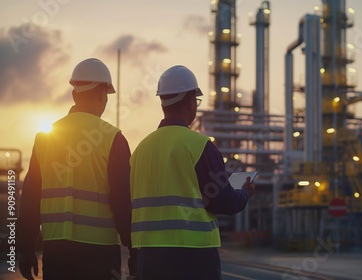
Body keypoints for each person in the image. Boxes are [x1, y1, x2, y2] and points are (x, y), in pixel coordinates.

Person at [130, 65, 256, 280]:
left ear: (163, 102)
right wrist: (245, 193)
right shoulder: (199, 145)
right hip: (192, 257)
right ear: (190, 102)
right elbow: (222, 201)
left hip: (149, 257)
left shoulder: (140, 149)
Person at [17, 58, 136, 280]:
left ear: (74, 94)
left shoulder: (45, 138)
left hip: (56, 252)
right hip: (99, 254)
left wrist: (25, 248)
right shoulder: (112, 138)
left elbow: (30, 199)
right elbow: (123, 201)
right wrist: (134, 249)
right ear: (102, 94)